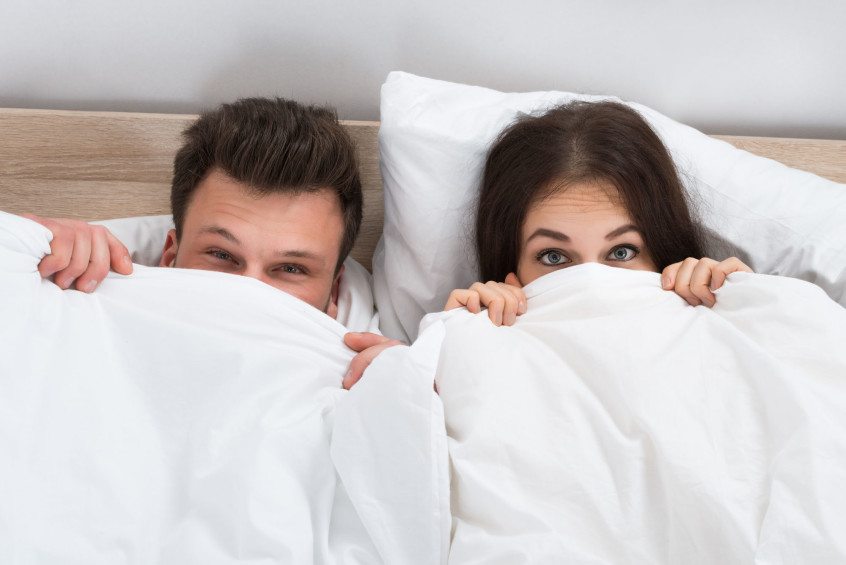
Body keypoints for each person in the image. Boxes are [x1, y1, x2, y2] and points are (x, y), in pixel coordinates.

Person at [22, 97, 394, 387]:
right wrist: (24, 252)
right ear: (170, 256)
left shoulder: (369, 384)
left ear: (334, 294)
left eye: (291, 269)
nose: (247, 293)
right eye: (221, 255)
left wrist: (412, 402)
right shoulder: (76, 318)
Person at [445, 100, 752, 325]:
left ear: (664, 257)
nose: (592, 285)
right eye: (554, 256)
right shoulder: (475, 346)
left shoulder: (718, 323)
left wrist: (748, 306)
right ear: (512, 275)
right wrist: (451, 347)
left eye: (621, 252)